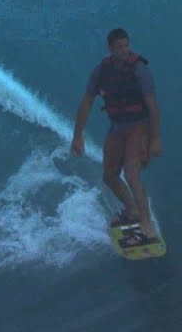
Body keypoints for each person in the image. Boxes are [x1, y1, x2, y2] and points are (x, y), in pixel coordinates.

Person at [70, 27, 163, 246]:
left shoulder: (139, 69)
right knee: (109, 176)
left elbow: (153, 107)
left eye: (126, 46)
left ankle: (146, 224)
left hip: (139, 127)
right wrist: (77, 135)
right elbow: (86, 102)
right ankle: (131, 211)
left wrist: (155, 138)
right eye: (119, 47)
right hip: (117, 128)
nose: (124, 50)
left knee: (132, 175)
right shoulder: (101, 71)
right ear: (110, 49)